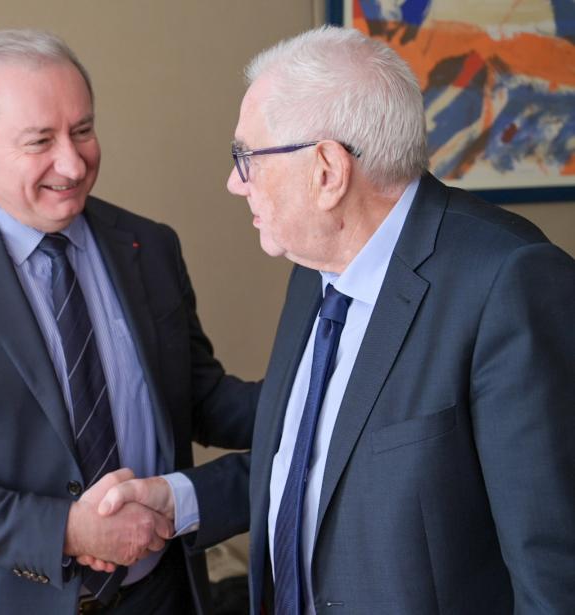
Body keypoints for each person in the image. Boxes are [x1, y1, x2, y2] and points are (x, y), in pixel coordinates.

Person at [97, 26, 575, 614]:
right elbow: (319, 455)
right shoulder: (314, 265)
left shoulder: (509, 284)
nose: (233, 182)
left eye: (245, 157)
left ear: (326, 171)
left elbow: (552, 569)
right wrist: (183, 501)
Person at [0, 29, 259, 615]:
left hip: (159, 595)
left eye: (83, 130)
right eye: (40, 140)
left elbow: (195, 396)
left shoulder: (148, 246)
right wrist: (69, 530)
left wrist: (323, 402)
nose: (72, 164)